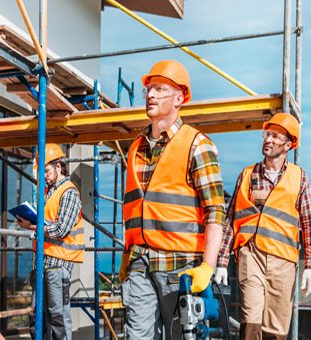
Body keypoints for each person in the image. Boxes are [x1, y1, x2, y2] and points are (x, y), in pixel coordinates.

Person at [120, 60, 227, 339]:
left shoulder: (197, 145)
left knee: (183, 335)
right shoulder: (135, 149)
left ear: (180, 98)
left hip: (180, 266)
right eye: (149, 89)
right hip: (141, 263)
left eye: (160, 89)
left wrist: (208, 266)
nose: (151, 95)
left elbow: (216, 210)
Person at [223, 113, 311, 340]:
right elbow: (230, 220)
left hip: (283, 262)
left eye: (276, 136)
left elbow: (310, 221)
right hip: (251, 255)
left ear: (288, 144)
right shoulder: (247, 175)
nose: (268, 139)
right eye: (267, 134)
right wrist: (221, 262)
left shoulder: (299, 178)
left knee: (276, 331)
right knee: (251, 322)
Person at [16, 143, 85, 340]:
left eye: (46, 170)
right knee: (38, 318)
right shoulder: (49, 193)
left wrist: (30, 226)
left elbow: (61, 229)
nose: (44, 176)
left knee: (57, 319)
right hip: (43, 263)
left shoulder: (69, 192)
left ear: (58, 167)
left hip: (58, 264)